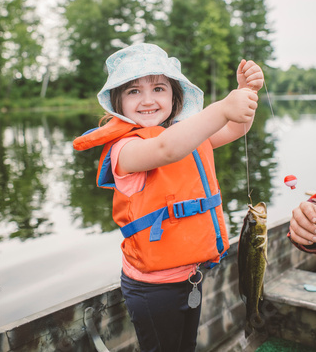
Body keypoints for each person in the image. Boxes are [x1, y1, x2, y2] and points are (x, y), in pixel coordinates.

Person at [73, 43, 264, 352]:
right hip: (153, 289)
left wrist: (244, 92)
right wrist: (221, 107)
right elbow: (166, 149)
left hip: (191, 276)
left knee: (185, 346)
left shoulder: (184, 132)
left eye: (159, 88)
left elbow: (235, 128)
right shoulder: (126, 150)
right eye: (134, 91)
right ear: (117, 102)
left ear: (174, 97)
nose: (148, 100)